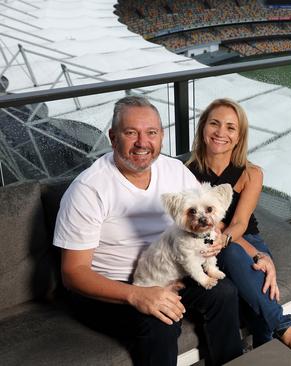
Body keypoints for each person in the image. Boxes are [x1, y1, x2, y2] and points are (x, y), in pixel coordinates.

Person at [52, 96, 243, 366]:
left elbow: (208, 218)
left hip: (168, 269)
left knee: (224, 293)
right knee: (161, 324)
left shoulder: (174, 170)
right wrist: (137, 294)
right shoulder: (88, 189)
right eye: (131, 133)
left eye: (151, 133)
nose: (143, 142)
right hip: (110, 288)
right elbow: (73, 273)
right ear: (113, 137)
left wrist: (234, 247)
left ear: (161, 136)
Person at [186, 98, 291, 366]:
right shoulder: (186, 173)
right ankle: (286, 333)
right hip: (204, 247)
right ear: (203, 128)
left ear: (239, 135)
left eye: (231, 127)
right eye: (214, 124)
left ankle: (280, 337)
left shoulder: (252, 173)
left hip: (243, 241)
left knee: (232, 251)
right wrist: (235, 245)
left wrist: (255, 253)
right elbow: (201, 224)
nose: (221, 133)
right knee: (238, 270)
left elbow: (240, 223)